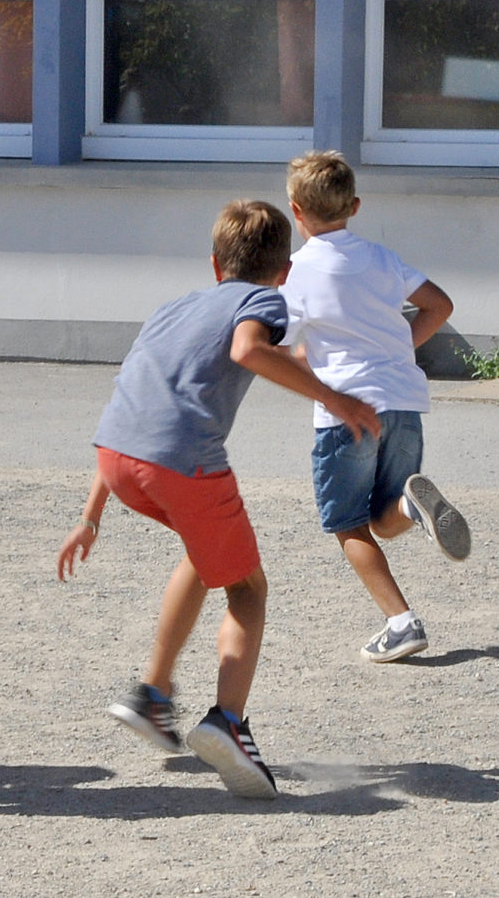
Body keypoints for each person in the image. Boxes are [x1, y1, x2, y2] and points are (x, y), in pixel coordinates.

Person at [56, 200, 381, 799]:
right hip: (183, 461)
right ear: (283, 269)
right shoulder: (264, 301)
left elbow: (136, 395)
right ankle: (226, 723)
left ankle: (153, 695)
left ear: (214, 264)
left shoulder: (174, 308)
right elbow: (248, 350)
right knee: (247, 587)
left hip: (118, 456)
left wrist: (90, 516)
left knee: (206, 556)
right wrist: (339, 402)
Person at [281, 150, 470, 662]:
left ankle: (401, 622)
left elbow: (284, 346)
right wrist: (398, 348)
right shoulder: (381, 258)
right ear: (355, 206)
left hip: (346, 409)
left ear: (296, 210)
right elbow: (440, 305)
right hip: (403, 400)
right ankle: (413, 504)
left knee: (347, 523)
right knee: (386, 518)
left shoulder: (295, 272)